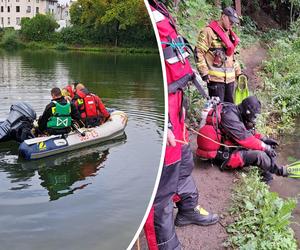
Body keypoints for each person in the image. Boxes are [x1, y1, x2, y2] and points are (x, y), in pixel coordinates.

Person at [144, 1, 219, 249]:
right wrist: (162, 122)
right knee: (161, 192)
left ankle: (187, 208)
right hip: (163, 118)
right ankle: (167, 245)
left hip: (176, 108)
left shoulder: (159, 9)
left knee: (184, 163)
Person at [196, 96, 287, 183]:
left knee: (264, 147)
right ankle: (277, 171)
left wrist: (264, 139)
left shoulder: (236, 111)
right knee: (260, 155)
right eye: (254, 116)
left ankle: (268, 170)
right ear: (247, 111)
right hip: (223, 156)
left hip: (229, 146)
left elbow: (247, 133)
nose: (254, 119)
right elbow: (246, 139)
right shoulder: (230, 117)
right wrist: (266, 147)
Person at [196, 6, 242, 103]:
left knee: (229, 110)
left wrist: (239, 74)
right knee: (216, 112)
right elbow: (198, 52)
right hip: (216, 81)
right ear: (223, 16)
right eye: (230, 21)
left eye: (233, 22)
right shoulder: (208, 32)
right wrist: (204, 72)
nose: (232, 24)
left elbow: (232, 57)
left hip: (230, 80)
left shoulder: (229, 34)